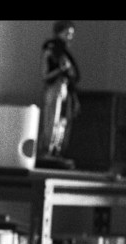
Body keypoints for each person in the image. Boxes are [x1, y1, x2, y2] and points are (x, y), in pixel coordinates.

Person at [40, 20, 80, 160]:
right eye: (67, 33)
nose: (70, 37)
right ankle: (48, 151)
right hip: (55, 87)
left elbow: (73, 75)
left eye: (71, 34)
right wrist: (60, 70)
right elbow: (45, 75)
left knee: (63, 122)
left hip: (66, 89)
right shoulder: (50, 50)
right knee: (53, 119)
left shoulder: (65, 54)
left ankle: (58, 151)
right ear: (59, 32)